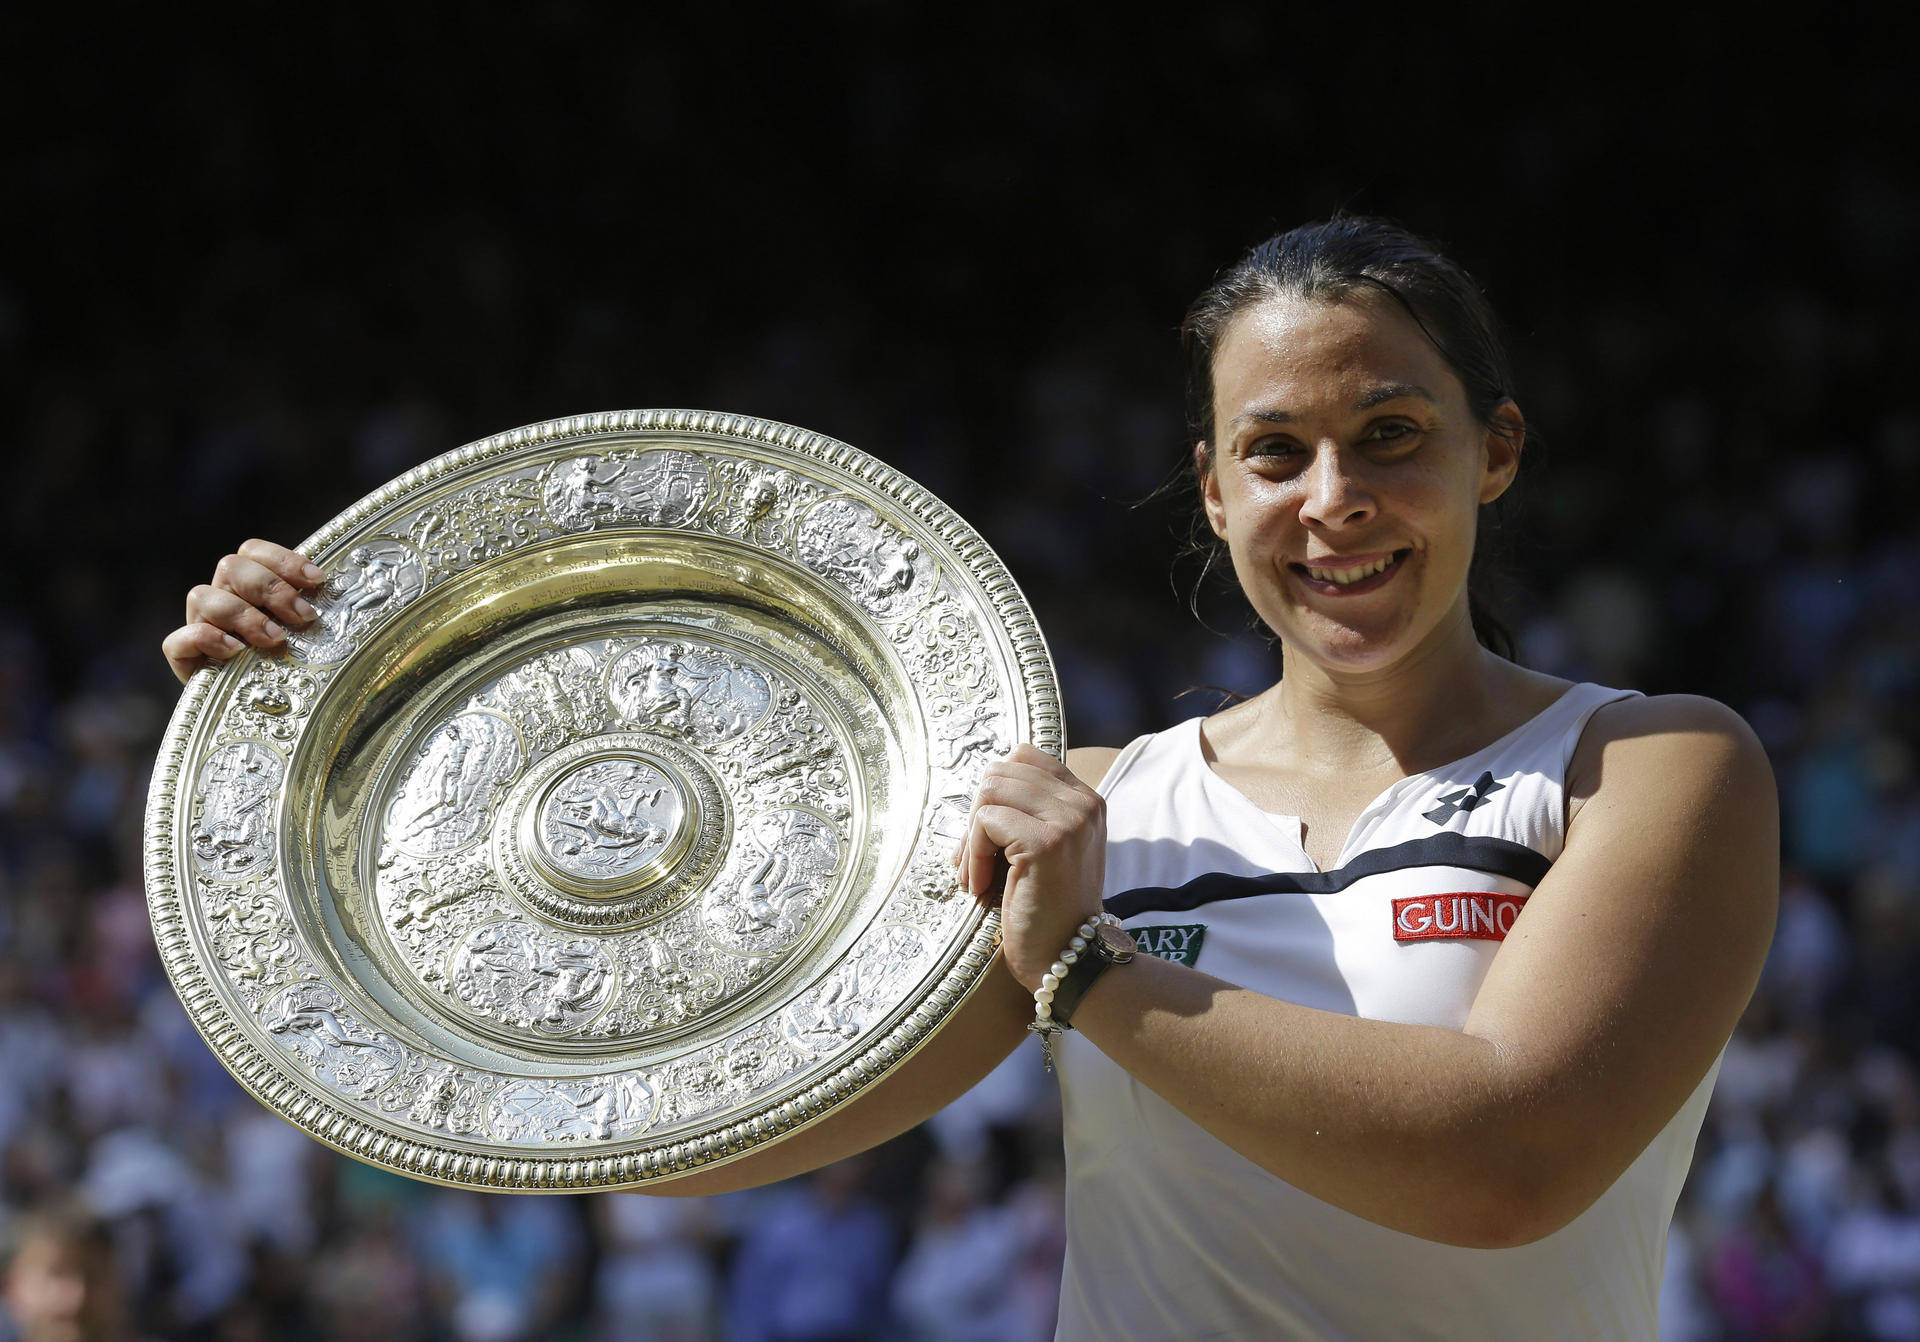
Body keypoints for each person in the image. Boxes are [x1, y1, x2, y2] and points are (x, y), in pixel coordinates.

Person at [162, 216, 1779, 1339]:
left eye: (1393, 432)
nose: (1334, 496)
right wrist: (310, 743)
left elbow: (1509, 1162)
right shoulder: (1089, 810)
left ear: (1496, 449)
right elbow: (680, 1111)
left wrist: (1084, 970)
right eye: (1276, 451)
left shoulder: (1649, 764)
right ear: (1212, 494)